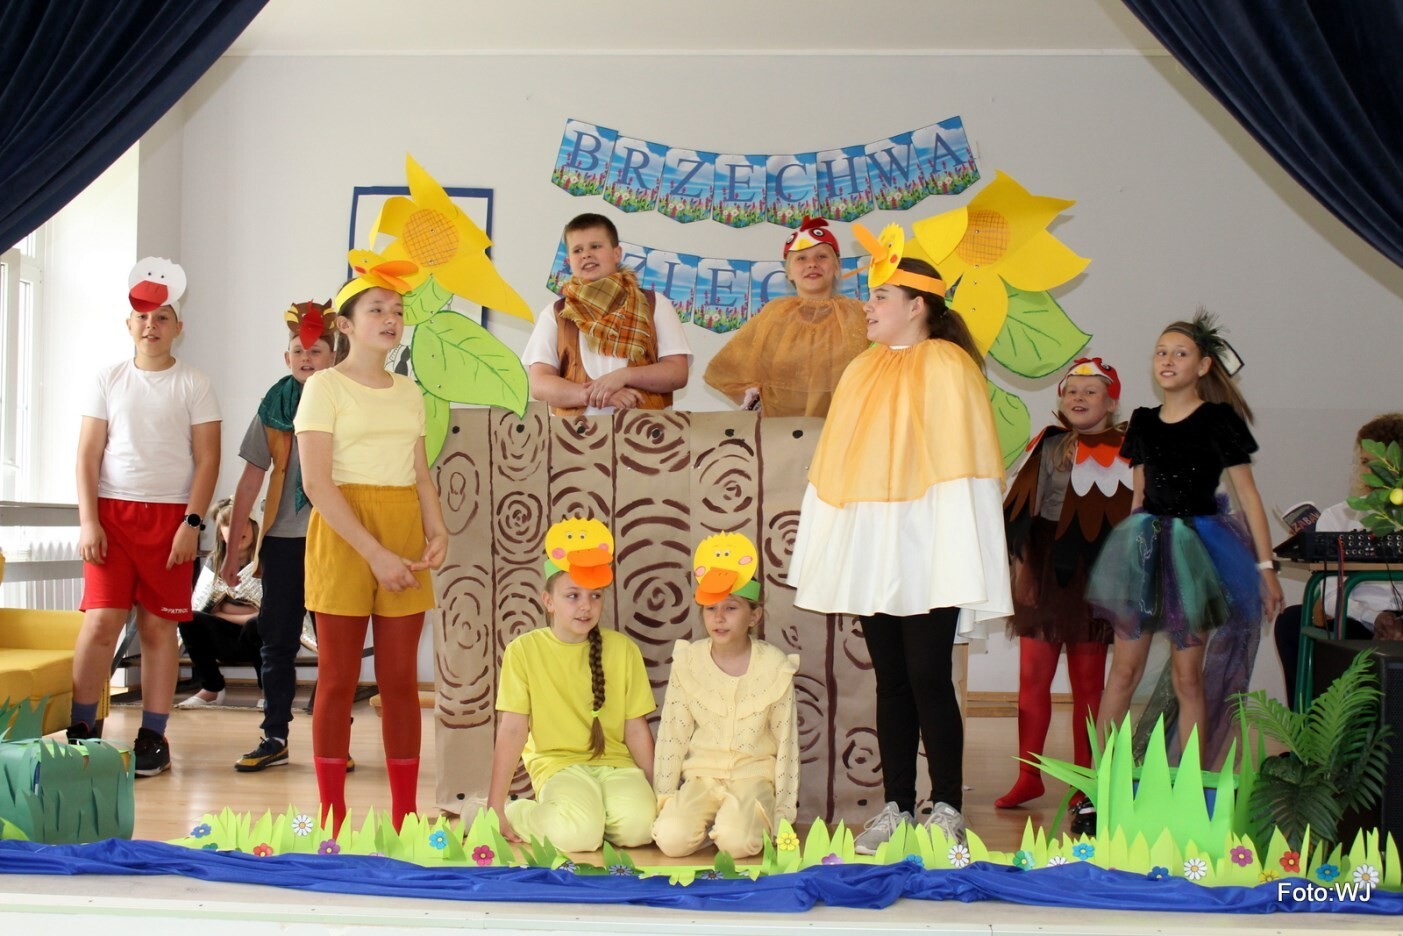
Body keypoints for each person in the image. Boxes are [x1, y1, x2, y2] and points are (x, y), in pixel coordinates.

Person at [787, 226, 1012, 855]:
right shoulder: (862, 369)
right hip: (876, 549)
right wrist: (843, 545)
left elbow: (961, 469)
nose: (869, 305)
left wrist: (958, 549)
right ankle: (897, 806)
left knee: (928, 675)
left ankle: (948, 806)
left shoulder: (949, 366)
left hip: (930, 549)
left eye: (881, 295)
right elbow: (840, 468)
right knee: (890, 680)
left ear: (917, 305)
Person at [1087, 312, 1284, 762]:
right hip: (1146, 547)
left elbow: (1249, 497)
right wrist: (1129, 561)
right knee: (1123, 673)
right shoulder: (1143, 421)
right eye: (1161, 352)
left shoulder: (1218, 420)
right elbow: (1138, 497)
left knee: (1187, 677)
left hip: (1197, 552)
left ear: (1203, 366)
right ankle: (1101, 781)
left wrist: (1266, 567)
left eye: (1180, 353)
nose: (1168, 360)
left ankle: (1188, 782)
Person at [295, 258, 449, 833]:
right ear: (346, 324)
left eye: (398, 310)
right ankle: (331, 816)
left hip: (402, 526)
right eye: (377, 309)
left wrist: (437, 528)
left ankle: (406, 816)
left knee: (400, 680)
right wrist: (375, 554)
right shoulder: (324, 387)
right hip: (343, 535)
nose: (391, 318)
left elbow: (420, 474)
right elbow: (317, 484)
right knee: (337, 679)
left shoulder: (410, 392)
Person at [69, 257, 221, 778]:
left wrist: (192, 524)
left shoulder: (195, 383)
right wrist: (89, 521)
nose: (151, 326)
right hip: (111, 517)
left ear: (179, 327)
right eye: (142, 317)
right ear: (129, 324)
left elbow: (208, 459)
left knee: (159, 629)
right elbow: (87, 455)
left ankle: (153, 736)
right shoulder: (107, 379)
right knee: (100, 623)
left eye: (162, 318)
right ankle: (82, 729)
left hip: (171, 522)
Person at [996, 359, 1132, 812]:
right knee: (1032, 677)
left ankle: (1084, 779)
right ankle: (1028, 775)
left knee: (1088, 682)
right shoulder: (1049, 445)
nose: (1079, 397)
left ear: (1110, 403)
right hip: (1044, 570)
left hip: (1094, 576)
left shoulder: (1127, 450)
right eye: (1072, 390)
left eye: (1090, 391)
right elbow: (1021, 512)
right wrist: (1023, 568)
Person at [487, 518, 657, 853]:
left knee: (641, 829)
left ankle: (595, 816)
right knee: (577, 836)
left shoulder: (623, 650)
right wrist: (495, 805)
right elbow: (513, 730)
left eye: (595, 596)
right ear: (548, 601)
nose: (585, 606)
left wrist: (658, 793)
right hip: (558, 765)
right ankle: (515, 811)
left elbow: (636, 730)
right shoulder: (523, 651)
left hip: (616, 765)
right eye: (572, 595)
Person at [218, 301, 335, 772]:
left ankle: (334, 740)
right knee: (277, 642)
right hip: (283, 540)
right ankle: (274, 736)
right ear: (287, 358)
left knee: (336, 645)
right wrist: (231, 550)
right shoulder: (273, 406)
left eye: (316, 350)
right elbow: (250, 480)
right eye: (298, 351)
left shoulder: (346, 399)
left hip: (334, 537)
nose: (306, 358)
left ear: (333, 356)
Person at [651, 532, 799, 858]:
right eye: (710, 608)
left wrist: (783, 815)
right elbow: (672, 735)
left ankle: (738, 824)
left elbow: (787, 745)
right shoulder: (689, 662)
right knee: (671, 839)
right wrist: (665, 798)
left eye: (731, 608)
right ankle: (708, 826)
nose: (718, 618)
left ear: (754, 616)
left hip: (752, 779)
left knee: (737, 843)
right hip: (701, 778)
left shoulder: (774, 667)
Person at [1273, 413, 1403, 708]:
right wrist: (1375, 617)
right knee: (1291, 622)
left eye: (1377, 464)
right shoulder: (1339, 516)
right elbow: (1330, 596)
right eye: (1364, 462)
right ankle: (1312, 732)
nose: (1366, 472)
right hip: (1359, 620)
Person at [522, 213, 691, 417]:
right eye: (577, 250)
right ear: (569, 261)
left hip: (646, 433)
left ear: (616, 253)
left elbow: (677, 373)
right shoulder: (555, 313)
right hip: (574, 435)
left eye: (595, 246)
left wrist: (623, 376)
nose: (586, 255)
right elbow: (539, 384)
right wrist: (597, 394)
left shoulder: (655, 304)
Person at [703, 216, 868, 417]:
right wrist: (754, 403)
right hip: (783, 429)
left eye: (821, 256)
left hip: (846, 425)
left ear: (837, 267)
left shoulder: (859, 313)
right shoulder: (775, 314)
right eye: (801, 258)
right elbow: (726, 371)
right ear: (788, 272)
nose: (812, 264)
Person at [176, 497, 262, 709]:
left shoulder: (266, 560)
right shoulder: (214, 563)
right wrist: (245, 610)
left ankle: (269, 690)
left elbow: (268, 614)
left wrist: (223, 611)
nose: (237, 529)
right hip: (225, 638)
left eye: (243, 522)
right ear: (221, 534)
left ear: (253, 526)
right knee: (189, 619)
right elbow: (203, 606)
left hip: (260, 637)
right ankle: (211, 688)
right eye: (229, 524)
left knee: (257, 625)